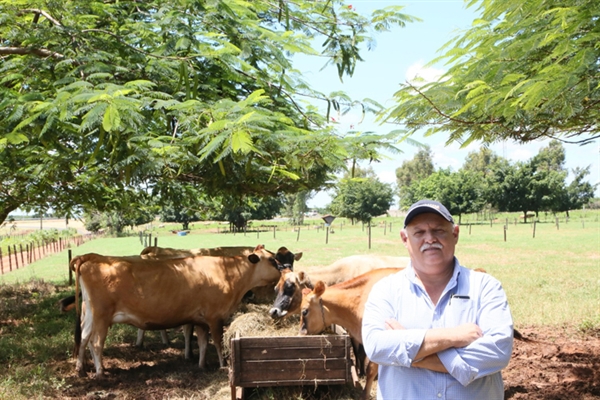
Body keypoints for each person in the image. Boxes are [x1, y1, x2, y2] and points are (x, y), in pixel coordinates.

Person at [362, 199, 514, 399]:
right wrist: (453, 337)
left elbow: (496, 352)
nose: (430, 238)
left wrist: (411, 355)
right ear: (405, 239)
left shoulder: (485, 287)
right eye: (419, 232)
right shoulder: (385, 290)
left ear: (455, 234)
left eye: (438, 230)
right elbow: (376, 347)